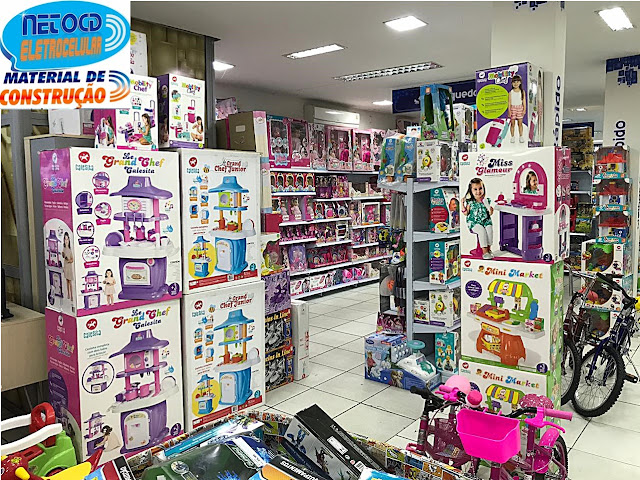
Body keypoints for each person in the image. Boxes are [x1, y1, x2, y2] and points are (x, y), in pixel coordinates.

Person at [462, 178, 494, 259]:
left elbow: (490, 213)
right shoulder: (470, 202)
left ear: (483, 188)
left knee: (489, 230)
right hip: (474, 222)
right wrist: (462, 204)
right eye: (475, 189)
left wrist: (490, 210)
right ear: (471, 190)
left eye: (480, 188)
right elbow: (466, 213)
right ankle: (485, 252)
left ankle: (489, 249)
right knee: (481, 231)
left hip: (486, 221)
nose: (478, 191)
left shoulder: (486, 201)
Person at [508, 74, 527, 143]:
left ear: (520, 82)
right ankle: (512, 137)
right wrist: (509, 111)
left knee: (520, 123)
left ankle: (521, 136)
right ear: (512, 83)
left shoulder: (522, 92)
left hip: (520, 108)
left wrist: (524, 109)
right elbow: (509, 102)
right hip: (513, 108)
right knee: (512, 124)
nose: (515, 83)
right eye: (514, 82)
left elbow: (524, 101)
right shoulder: (510, 92)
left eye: (517, 82)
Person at [62, 232, 74, 301]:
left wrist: (69, 260)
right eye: (65, 239)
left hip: (69, 266)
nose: (66, 241)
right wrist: (63, 255)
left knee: (70, 281)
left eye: (67, 239)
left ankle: (71, 295)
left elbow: (72, 259)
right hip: (66, 266)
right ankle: (68, 294)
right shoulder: (64, 249)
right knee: (67, 281)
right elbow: (63, 255)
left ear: (69, 240)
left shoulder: (70, 250)